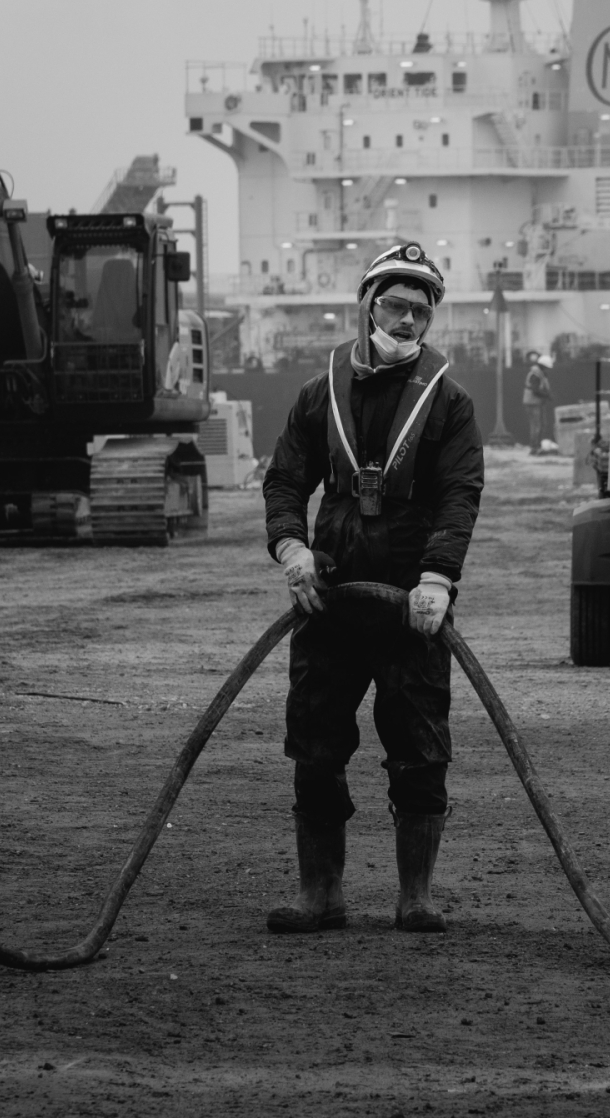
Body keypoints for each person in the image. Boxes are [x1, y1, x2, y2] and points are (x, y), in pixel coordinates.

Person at [262, 242, 484, 935]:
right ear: (367, 305)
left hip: (411, 603)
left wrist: (438, 578)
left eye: (421, 310)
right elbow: (285, 482)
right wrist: (292, 546)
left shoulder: (449, 400)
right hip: (328, 597)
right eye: (397, 305)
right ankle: (320, 898)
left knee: (421, 747)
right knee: (315, 744)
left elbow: (459, 493)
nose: (409, 320)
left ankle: (414, 897)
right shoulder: (315, 392)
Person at [522, 351, 553, 454]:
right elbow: (535, 390)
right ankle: (534, 447)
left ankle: (537, 446)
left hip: (537, 403)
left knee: (540, 425)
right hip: (533, 403)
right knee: (536, 426)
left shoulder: (540, 374)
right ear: (543, 366)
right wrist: (547, 395)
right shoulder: (535, 375)